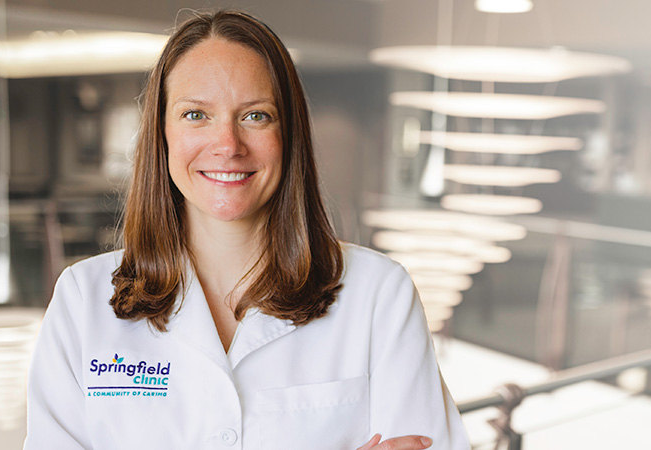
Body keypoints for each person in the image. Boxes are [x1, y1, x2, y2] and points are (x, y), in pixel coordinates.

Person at [24, 10, 468, 450]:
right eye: (196, 115)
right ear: (161, 134)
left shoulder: (378, 295)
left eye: (255, 116)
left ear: (289, 134)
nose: (228, 146)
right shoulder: (82, 302)